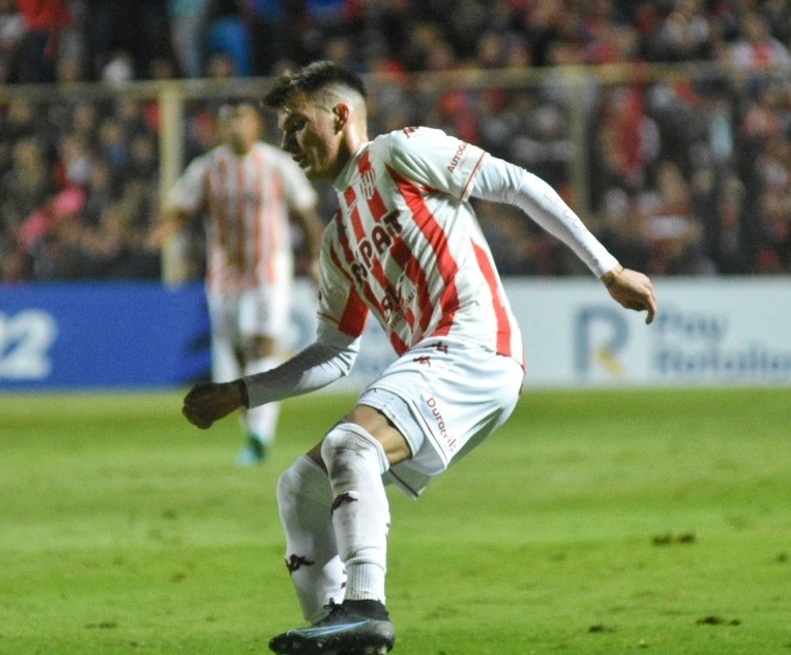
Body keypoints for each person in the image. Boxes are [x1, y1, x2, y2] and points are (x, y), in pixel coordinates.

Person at [179, 61, 658, 655]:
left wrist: (607, 269)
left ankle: (364, 608)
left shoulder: (399, 152)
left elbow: (516, 183)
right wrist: (242, 393)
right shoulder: (337, 241)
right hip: (441, 362)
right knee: (300, 487)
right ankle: (345, 633)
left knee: (350, 445)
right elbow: (335, 353)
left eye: (296, 125)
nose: (286, 141)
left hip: (474, 343)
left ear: (341, 115)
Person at [150, 101, 322, 466]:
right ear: (220, 128)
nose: (236, 128)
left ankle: (260, 434)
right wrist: (163, 230)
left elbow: (307, 213)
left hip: (269, 271)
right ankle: (254, 419)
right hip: (225, 275)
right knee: (242, 354)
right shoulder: (208, 168)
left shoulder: (276, 165)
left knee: (262, 345)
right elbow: (180, 207)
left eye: (242, 121)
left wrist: (318, 259)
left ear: (256, 126)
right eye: (229, 122)